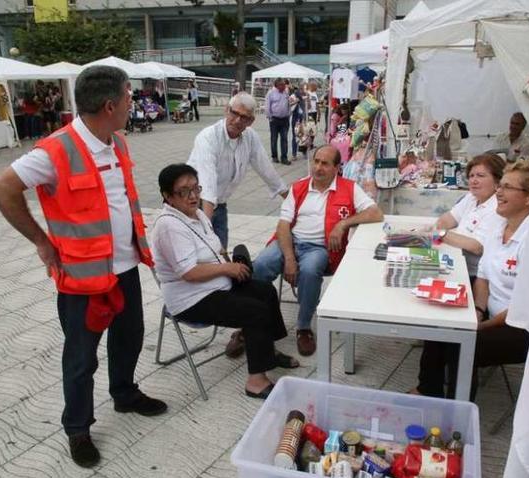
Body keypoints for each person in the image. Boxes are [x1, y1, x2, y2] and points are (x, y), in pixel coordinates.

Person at [0, 66, 168, 468]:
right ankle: (78, 428)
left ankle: (124, 394)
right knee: (82, 357)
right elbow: (1, 188)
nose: (131, 104)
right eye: (128, 97)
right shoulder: (56, 150)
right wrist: (40, 240)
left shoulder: (117, 142)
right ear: (110, 105)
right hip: (82, 279)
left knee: (129, 338)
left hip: (125, 268)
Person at [150, 164, 299, 399]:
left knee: (265, 291)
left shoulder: (197, 214)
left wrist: (235, 265)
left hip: (217, 284)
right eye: (183, 192)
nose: (193, 196)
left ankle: (267, 349)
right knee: (254, 311)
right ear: (167, 197)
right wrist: (227, 268)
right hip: (191, 298)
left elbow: (216, 247)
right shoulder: (168, 225)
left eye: (195, 188)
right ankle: (256, 382)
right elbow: (188, 272)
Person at [413, 159, 529, 400]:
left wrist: (479, 326)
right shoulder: (500, 225)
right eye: (500, 185)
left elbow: (522, 306)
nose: (499, 192)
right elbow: (482, 276)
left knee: (460, 342)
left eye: (507, 188)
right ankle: (428, 389)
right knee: (438, 319)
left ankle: (455, 418)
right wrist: (479, 310)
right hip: (491, 314)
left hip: (520, 326)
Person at [249, 145, 384, 357]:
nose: (318, 167)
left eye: (325, 163)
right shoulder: (299, 187)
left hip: (319, 247)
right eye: (316, 161)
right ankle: (251, 323)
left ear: (337, 167)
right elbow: (283, 225)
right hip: (290, 241)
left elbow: (376, 213)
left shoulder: (349, 188)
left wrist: (343, 225)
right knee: (260, 265)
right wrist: (290, 258)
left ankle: (303, 327)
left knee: (311, 270)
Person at [187, 91, 288, 251]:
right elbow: (208, 184)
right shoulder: (208, 137)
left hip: (219, 204)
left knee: (220, 255)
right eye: (234, 113)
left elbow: (265, 168)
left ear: (251, 121)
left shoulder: (250, 137)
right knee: (202, 255)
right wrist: (207, 229)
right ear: (227, 110)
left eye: (245, 117)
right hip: (194, 205)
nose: (238, 120)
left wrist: (289, 198)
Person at [429, 154, 506, 278]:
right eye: (471, 176)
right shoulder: (471, 197)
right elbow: (445, 221)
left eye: (480, 176)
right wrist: (441, 232)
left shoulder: (498, 207)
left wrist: (441, 234)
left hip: (472, 273)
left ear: (497, 181)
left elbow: (476, 246)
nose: (474, 180)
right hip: (455, 259)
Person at [265, 78, 291, 165]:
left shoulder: (286, 92)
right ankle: (274, 156)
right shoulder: (271, 93)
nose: (284, 86)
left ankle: (284, 157)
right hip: (274, 119)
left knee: (284, 139)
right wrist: (269, 117)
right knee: (274, 138)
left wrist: (288, 114)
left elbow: (288, 104)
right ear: (277, 85)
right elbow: (267, 105)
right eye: (282, 85)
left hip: (284, 119)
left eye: (284, 84)